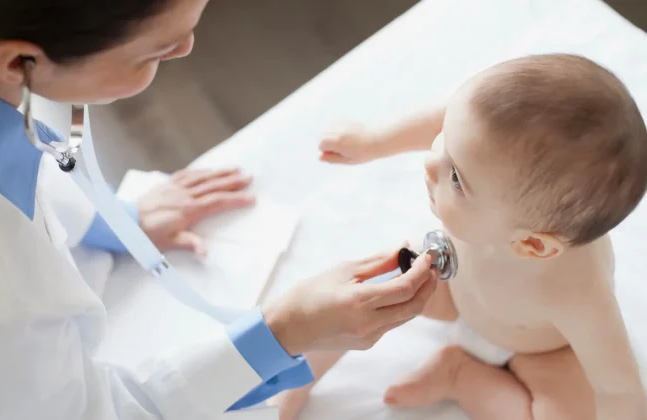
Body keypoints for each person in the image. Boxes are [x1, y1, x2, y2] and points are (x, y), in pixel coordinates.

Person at [0, 0, 440, 419]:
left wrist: (107, 222)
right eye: (159, 50)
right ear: (18, 62)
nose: (187, 47)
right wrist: (282, 334)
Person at [271, 53, 647, 420]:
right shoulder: (488, 152)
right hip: (450, 285)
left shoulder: (578, 295)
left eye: (456, 179)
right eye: (445, 142)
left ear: (532, 244)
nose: (430, 162)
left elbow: (619, 390)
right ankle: (299, 378)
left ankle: (462, 377)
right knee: (360, 297)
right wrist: (373, 142)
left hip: (541, 350)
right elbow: (451, 118)